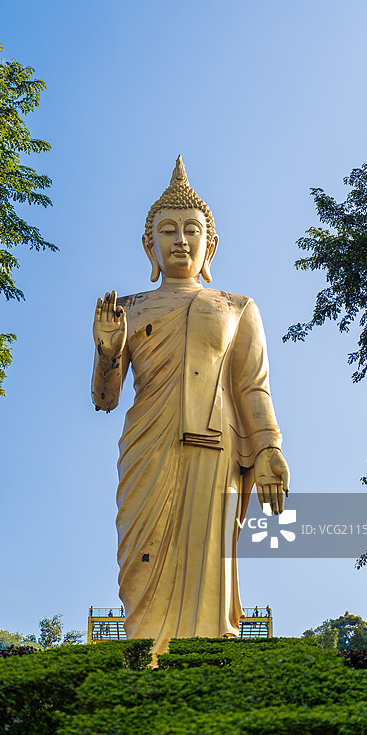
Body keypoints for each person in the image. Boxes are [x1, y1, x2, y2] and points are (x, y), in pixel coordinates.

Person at [92, 157, 290, 656]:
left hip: (214, 445)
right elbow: (105, 398)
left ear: (210, 244)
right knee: (142, 551)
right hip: (148, 442)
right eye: (168, 230)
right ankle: (144, 658)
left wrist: (268, 449)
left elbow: (252, 387)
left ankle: (204, 655)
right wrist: (108, 351)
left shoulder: (236, 307)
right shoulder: (129, 309)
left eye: (191, 229)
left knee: (208, 557)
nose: (180, 239)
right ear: (150, 245)